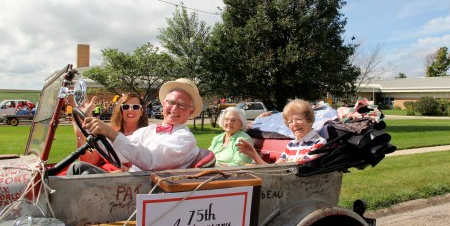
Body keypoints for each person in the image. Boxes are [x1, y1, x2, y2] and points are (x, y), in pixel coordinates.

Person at [68, 78, 203, 174]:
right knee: (78, 168)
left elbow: (150, 160)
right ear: (163, 104)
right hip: (132, 182)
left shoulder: (185, 138)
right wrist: (91, 130)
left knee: (81, 173)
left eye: (182, 105)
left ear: (190, 111)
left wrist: (110, 132)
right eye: (171, 102)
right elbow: (119, 152)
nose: (174, 108)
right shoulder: (148, 131)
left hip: (147, 190)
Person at [236, 99, 327, 164]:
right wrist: (253, 154)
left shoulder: (319, 143)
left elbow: (297, 171)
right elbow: (275, 170)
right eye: (290, 121)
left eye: (298, 119)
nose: (294, 124)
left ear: (310, 120)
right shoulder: (291, 144)